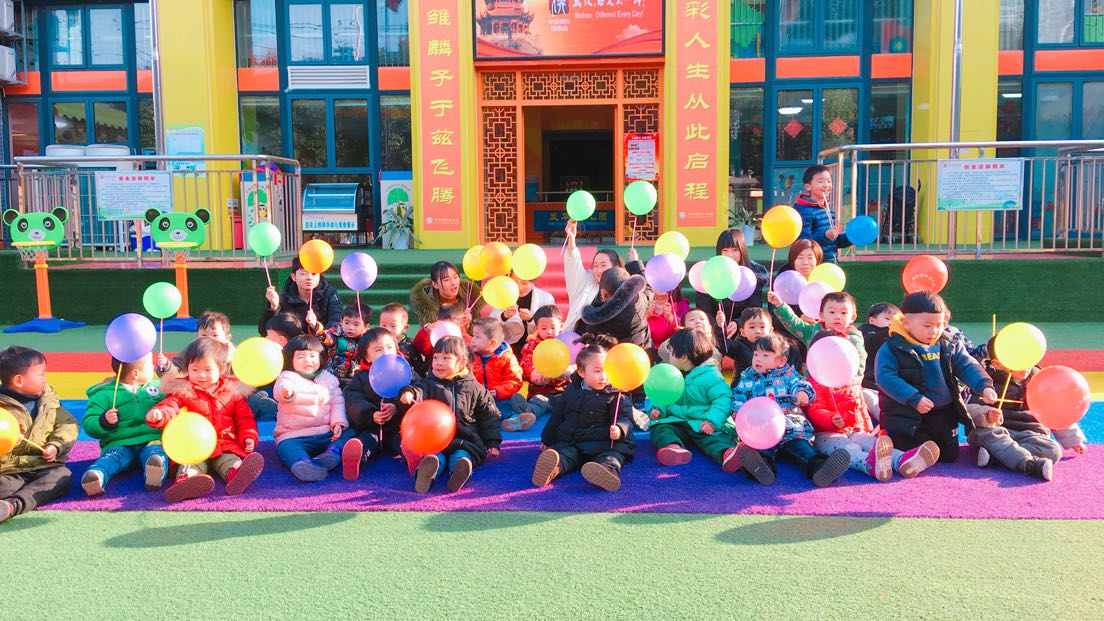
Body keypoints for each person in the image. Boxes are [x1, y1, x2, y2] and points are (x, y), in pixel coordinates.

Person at [875, 292, 999, 465]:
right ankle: (899, 451)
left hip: (944, 412)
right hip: (910, 414)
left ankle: (927, 450)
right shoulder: (893, 347)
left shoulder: (948, 343)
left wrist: (984, 385)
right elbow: (885, 377)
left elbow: (967, 365)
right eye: (927, 325)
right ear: (906, 323)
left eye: (939, 325)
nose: (934, 331)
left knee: (949, 455)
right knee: (913, 447)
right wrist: (913, 398)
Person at [805, 333, 939, 481]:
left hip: (854, 429)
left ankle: (902, 460)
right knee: (848, 449)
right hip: (826, 434)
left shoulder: (851, 380)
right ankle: (868, 464)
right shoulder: (813, 383)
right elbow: (814, 410)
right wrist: (830, 419)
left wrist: (866, 426)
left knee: (873, 444)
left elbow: (860, 405)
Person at [147, 338, 265, 503]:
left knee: (231, 460)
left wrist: (248, 436)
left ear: (221, 369)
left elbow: (244, 418)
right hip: (192, 445)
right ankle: (187, 481)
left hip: (224, 443)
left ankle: (237, 474)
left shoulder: (232, 390)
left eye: (208, 370)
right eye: (195, 369)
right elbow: (170, 406)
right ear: (187, 368)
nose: (201, 375)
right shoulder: (182, 389)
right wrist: (159, 414)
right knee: (190, 464)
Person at [727, 334, 851, 487]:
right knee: (761, 451)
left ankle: (821, 469)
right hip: (763, 431)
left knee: (805, 451)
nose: (758, 359)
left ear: (781, 361)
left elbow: (801, 384)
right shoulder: (748, 377)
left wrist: (802, 393)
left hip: (791, 429)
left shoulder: (788, 375)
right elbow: (738, 396)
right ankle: (759, 468)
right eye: (756, 354)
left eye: (765, 355)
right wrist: (738, 412)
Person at [964, 335, 1089, 482]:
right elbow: (967, 408)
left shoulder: (1040, 378)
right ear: (997, 364)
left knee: (1053, 450)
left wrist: (1072, 438)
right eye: (1017, 361)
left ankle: (996, 456)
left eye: (1027, 358)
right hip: (996, 431)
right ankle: (1028, 464)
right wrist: (986, 414)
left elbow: (1054, 409)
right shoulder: (983, 379)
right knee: (986, 434)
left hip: (1030, 433)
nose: (1025, 365)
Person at [398, 337, 502, 494]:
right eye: (436, 358)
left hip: (465, 438)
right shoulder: (429, 383)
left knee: (462, 455)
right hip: (434, 439)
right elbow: (418, 389)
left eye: (446, 358)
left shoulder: (475, 388)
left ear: (462, 362)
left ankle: (460, 470)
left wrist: (492, 441)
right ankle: (428, 470)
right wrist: (409, 392)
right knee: (433, 455)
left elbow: (489, 416)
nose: (439, 363)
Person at [532, 334, 634, 492]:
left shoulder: (616, 393)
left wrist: (620, 429)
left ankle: (606, 472)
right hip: (576, 441)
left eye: (607, 371)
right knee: (567, 455)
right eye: (597, 371)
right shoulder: (571, 390)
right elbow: (558, 415)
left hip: (606, 443)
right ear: (581, 372)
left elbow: (625, 416)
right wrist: (547, 438)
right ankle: (553, 468)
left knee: (611, 457)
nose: (603, 376)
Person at [0, 346, 77, 524]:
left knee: (62, 476)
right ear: (19, 381)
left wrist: (56, 445)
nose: (45, 379)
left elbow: (67, 423)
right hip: (9, 469)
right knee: (5, 485)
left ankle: (12, 505)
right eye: (41, 374)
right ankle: (17, 497)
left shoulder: (48, 401)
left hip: (43, 465)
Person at [81, 353, 169, 496]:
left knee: (156, 452)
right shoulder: (104, 393)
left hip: (151, 438)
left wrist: (166, 371)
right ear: (136, 373)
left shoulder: (159, 387)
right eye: (150, 364)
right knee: (112, 458)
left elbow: (177, 396)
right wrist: (104, 421)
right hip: (119, 442)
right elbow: (89, 422)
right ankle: (96, 475)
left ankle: (154, 471)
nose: (153, 366)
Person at [648, 329, 736, 469]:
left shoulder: (710, 376)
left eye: (671, 351)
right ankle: (673, 447)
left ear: (683, 357)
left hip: (702, 424)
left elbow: (723, 399)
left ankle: (727, 453)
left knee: (715, 439)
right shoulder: (671, 374)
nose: (668, 355)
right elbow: (664, 396)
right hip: (677, 421)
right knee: (660, 429)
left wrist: (712, 422)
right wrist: (657, 410)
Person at [272, 335, 353, 482]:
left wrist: (338, 423)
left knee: (350, 432)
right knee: (286, 447)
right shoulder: (288, 377)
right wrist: (286, 392)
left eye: (312, 356)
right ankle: (302, 463)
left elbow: (338, 402)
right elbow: (280, 392)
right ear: (290, 359)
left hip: (325, 433)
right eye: (300, 357)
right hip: (294, 435)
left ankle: (332, 453)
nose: (307, 360)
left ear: (320, 358)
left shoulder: (328, 378)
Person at [343, 328, 418, 480]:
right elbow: (353, 399)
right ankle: (355, 459)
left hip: (398, 427)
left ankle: (414, 458)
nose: (386, 353)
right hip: (372, 427)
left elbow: (417, 390)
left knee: (405, 442)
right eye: (378, 350)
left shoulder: (405, 370)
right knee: (365, 441)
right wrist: (371, 415)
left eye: (389, 347)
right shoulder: (361, 377)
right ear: (367, 357)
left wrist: (398, 407)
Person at [767, 290, 867, 385]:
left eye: (844, 313)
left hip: (845, 387)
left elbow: (859, 363)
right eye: (832, 312)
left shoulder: (853, 338)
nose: (837, 316)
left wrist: (854, 383)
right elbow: (794, 323)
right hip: (815, 384)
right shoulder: (813, 332)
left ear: (853, 317)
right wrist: (779, 304)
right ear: (821, 315)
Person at [695, 228, 770, 339]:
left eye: (735, 250)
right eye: (725, 250)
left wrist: (738, 323)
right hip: (714, 332)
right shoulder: (709, 271)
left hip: (745, 331)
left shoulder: (751, 274)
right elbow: (703, 309)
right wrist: (716, 323)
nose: (730, 255)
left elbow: (754, 308)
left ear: (742, 250)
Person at [563, 219, 625, 332]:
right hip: (579, 339)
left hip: (608, 340)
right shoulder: (586, 282)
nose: (599, 270)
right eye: (596, 265)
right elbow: (572, 264)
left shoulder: (622, 290)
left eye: (603, 265)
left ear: (615, 266)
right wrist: (571, 240)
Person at [259, 256, 344, 337]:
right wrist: (273, 308)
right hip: (292, 345)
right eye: (303, 273)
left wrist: (316, 327)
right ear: (293, 276)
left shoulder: (330, 294)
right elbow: (264, 332)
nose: (309, 277)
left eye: (314, 274)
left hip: (321, 344)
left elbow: (336, 324)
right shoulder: (283, 299)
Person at [515, 305, 573, 423]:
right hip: (541, 391)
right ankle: (527, 412)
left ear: (561, 326)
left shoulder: (568, 343)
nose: (549, 332)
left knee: (572, 402)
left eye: (553, 327)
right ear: (536, 328)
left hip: (564, 390)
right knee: (539, 402)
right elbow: (526, 364)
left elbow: (577, 362)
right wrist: (539, 376)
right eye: (544, 328)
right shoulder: (532, 345)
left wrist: (568, 372)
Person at [468, 317, 526, 429]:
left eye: (477, 337)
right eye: (473, 335)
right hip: (476, 398)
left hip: (498, 398)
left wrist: (497, 392)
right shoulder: (469, 356)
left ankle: (514, 420)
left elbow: (514, 381)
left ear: (492, 342)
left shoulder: (506, 357)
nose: (472, 340)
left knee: (504, 406)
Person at [579, 267, 653, 354]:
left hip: (614, 360)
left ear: (604, 294)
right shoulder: (642, 299)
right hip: (644, 356)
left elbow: (592, 349)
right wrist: (635, 264)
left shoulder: (597, 320)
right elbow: (649, 289)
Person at [249, 312, 305, 422]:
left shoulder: (272, 353)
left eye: (268, 335)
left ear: (281, 340)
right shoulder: (298, 351)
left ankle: (258, 410)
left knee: (263, 393)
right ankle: (276, 409)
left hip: (277, 388)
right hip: (283, 391)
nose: (265, 338)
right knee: (263, 395)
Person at [795, 164, 852, 263]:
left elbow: (833, 242)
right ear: (808, 186)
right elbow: (803, 242)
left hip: (830, 263)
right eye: (820, 181)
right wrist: (826, 235)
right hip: (812, 265)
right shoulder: (803, 211)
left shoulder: (829, 210)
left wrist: (851, 237)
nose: (826, 185)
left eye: (829, 181)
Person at [491, 272, 556, 358]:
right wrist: (504, 316)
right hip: (509, 350)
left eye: (524, 282)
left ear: (531, 279)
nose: (520, 288)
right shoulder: (503, 297)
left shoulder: (545, 298)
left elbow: (552, 327)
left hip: (537, 350)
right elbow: (490, 325)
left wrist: (531, 319)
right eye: (514, 283)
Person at [158, 310, 236, 376]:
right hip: (196, 386)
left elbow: (241, 372)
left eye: (215, 335)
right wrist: (166, 366)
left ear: (227, 338)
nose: (209, 339)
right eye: (204, 335)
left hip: (224, 387)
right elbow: (176, 369)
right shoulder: (193, 349)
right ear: (197, 336)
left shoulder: (232, 352)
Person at [410, 261, 484, 328]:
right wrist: (427, 329)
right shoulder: (426, 303)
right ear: (435, 284)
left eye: (455, 277)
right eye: (446, 280)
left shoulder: (471, 299)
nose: (453, 283)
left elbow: (476, 334)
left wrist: (467, 325)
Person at [858, 302, 899, 421]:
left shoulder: (894, 337)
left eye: (895, 321)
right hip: (867, 384)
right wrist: (891, 331)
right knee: (874, 403)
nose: (891, 323)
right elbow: (872, 342)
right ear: (872, 320)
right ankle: (887, 421)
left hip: (887, 386)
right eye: (887, 319)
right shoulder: (864, 332)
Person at [321, 303, 369, 387]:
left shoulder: (368, 339)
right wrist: (315, 326)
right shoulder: (335, 333)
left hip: (355, 378)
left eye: (356, 324)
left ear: (365, 327)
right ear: (341, 321)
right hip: (332, 375)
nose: (351, 327)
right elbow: (325, 338)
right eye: (347, 323)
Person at [378, 302, 425, 378]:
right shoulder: (376, 345)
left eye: (393, 326)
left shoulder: (410, 347)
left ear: (405, 328)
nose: (387, 329)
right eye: (384, 325)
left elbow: (420, 370)